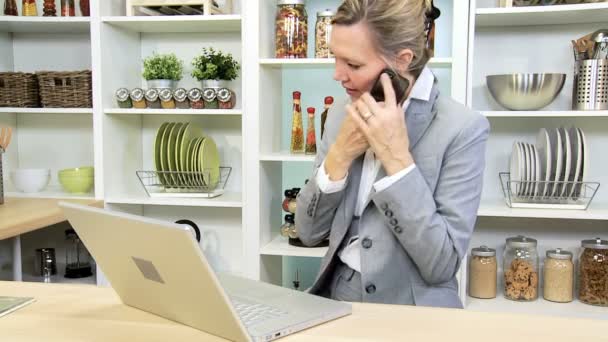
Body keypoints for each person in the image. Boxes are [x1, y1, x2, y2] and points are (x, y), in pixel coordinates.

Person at [295, 0, 490, 309]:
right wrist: (340, 155)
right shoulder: (338, 115)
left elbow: (441, 265)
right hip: (338, 297)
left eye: (354, 65)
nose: (337, 75)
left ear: (402, 60)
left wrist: (397, 160)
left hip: (415, 310)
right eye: (335, 58)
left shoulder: (463, 129)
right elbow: (307, 232)